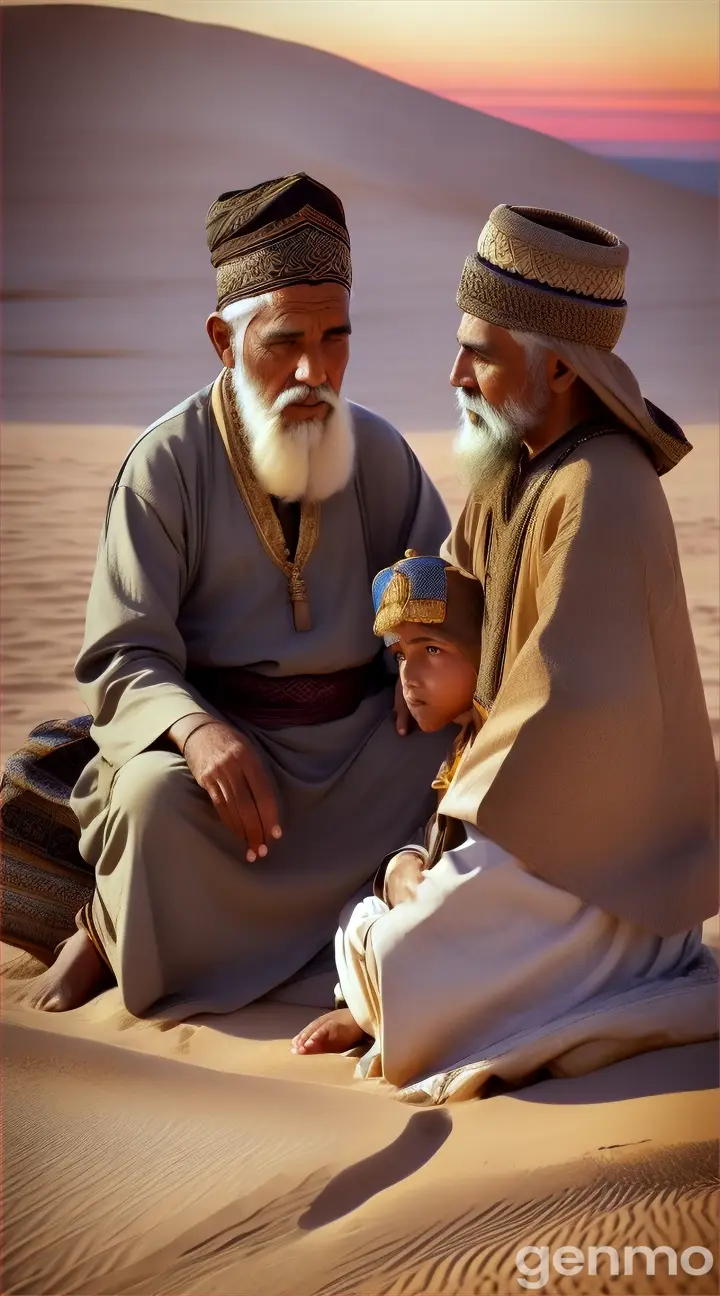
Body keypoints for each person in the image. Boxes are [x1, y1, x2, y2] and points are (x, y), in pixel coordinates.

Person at [293, 205, 719, 1100]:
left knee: (410, 950)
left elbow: (566, 709)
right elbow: (455, 604)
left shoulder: (603, 487)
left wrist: (444, 855)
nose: (455, 374)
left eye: (479, 352)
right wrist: (408, 630)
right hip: (526, 823)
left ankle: (411, 966)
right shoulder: (516, 466)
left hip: (601, 859)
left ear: (559, 365)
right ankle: (405, 957)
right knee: (415, 936)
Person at [21, 172, 452, 1017]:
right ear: (224, 339)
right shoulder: (165, 466)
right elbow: (123, 654)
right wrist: (197, 729)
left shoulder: (381, 453)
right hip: (228, 772)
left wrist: (425, 663)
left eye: (336, 339)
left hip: (362, 762)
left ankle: (373, 946)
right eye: (284, 342)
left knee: (461, 765)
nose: (313, 369)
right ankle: (108, 933)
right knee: (148, 804)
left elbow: (439, 591)